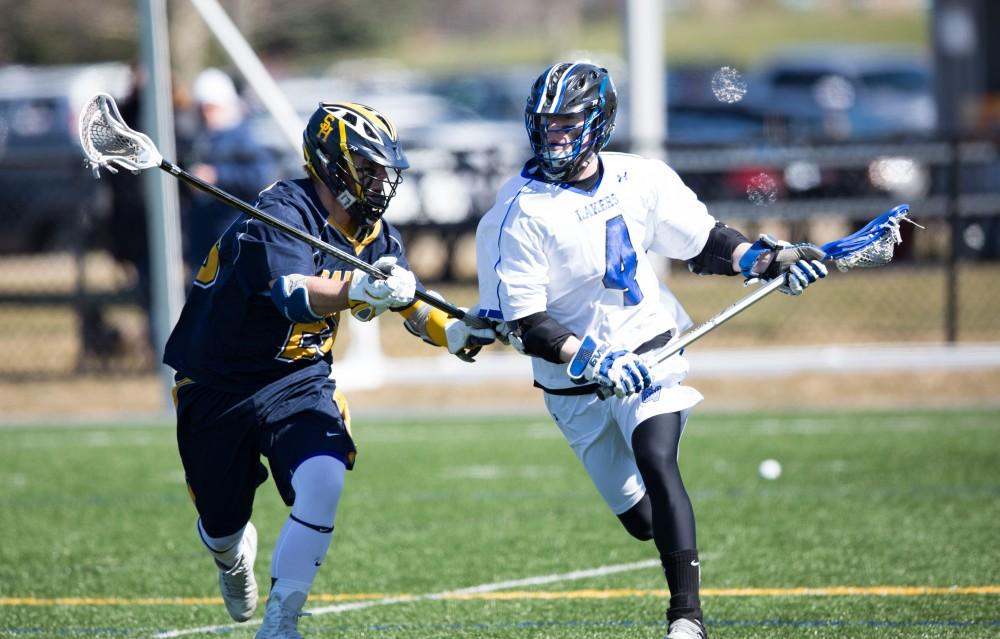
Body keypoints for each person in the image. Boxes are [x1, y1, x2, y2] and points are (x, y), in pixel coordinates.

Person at [474, 61, 828, 639]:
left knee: (658, 458)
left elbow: (706, 242)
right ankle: (662, 548)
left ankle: (686, 619)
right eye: (547, 124)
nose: (556, 135)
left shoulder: (641, 177)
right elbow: (527, 322)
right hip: (575, 381)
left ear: (599, 121)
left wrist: (763, 260)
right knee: (641, 521)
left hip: (649, 348)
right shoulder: (517, 212)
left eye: (568, 123)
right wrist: (591, 358)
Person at [163, 101, 495, 638]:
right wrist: (358, 290)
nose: (381, 182)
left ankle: (282, 621)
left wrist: (456, 333)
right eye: (368, 169)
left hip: (298, 378)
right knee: (223, 526)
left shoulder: (376, 232)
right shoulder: (282, 211)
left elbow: (412, 304)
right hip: (218, 381)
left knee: (323, 480)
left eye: (384, 170)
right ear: (332, 166)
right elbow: (294, 297)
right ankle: (228, 555)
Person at [181, 67, 276, 276]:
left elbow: (261, 176)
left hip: (233, 232)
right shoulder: (201, 137)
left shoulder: (244, 137)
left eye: (211, 108)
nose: (206, 114)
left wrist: (217, 176)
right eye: (203, 108)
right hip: (204, 236)